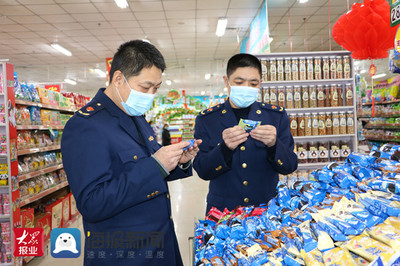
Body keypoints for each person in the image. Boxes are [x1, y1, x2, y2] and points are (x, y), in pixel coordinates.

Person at [61, 40, 201, 266]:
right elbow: (92, 203)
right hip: (124, 255)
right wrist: (156, 165)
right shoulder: (85, 126)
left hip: (160, 245)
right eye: (145, 87)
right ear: (118, 79)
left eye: (156, 88)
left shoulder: (135, 116)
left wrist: (178, 161)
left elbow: (153, 165)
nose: (151, 95)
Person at [193, 53, 298, 213]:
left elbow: (290, 166)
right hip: (223, 213)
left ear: (260, 84)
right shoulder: (208, 119)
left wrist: (274, 145)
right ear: (226, 82)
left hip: (266, 211)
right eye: (239, 82)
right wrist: (224, 148)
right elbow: (202, 170)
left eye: (253, 83)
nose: (246, 88)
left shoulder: (275, 116)